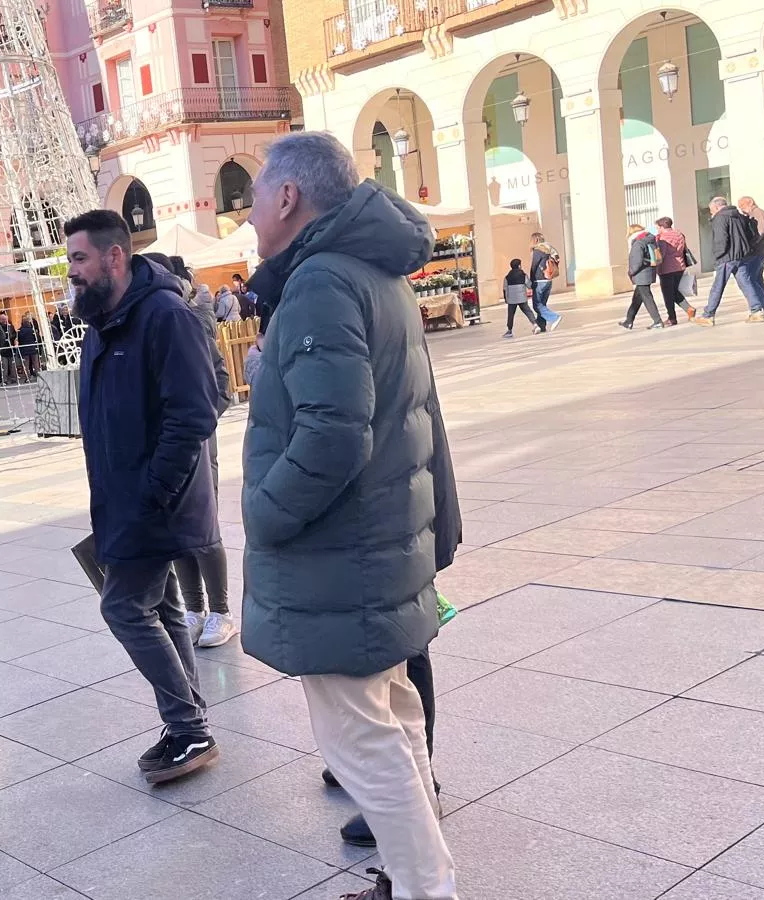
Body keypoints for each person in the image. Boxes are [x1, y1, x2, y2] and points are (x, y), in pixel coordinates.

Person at [241, 132, 456, 900]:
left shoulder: (321, 281)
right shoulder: (370, 268)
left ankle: (429, 890)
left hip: (342, 557)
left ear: (289, 197)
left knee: (364, 743)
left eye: (256, 195)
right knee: (394, 718)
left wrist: (263, 515)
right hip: (375, 547)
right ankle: (408, 880)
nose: (251, 211)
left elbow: (333, 435)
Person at [65, 209, 223, 784]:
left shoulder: (164, 317)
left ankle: (189, 728)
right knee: (161, 606)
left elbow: (194, 413)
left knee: (123, 606)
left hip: (156, 502)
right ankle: (189, 723)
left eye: (80, 258)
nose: (72, 272)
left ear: (115, 257)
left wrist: (153, 491)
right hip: (124, 500)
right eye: (70, 260)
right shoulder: (106, 322)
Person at [144, 252, 235, 649]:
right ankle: (194, 608)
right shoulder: (146, 320)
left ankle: (221, 611)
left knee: (203, 529)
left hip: (195, 443)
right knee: (176, 531)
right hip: (161, 443)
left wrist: (196, 421)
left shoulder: (186, 318)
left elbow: (220, 384)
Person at [699, 197, 764, 326]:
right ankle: (757, 311)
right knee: (746, 283)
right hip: (741, 256)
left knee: (717, 286)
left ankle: (708, 315)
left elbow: (721, 239)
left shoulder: (720, 218)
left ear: (717, 207)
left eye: (711, 209)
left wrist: (718, 255)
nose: (711, 212)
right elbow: (750, 234)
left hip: (726, 258)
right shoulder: (739, 216)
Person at [620, 224, 665, 331]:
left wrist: (631, 272)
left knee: (647, 298)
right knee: (637, 298)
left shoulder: (638, 243)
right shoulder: (649, 239)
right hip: (648, 272)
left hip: (641, 274)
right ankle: (628, 321)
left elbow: (637, 261)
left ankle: (657, 321)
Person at [737, 196, 764, 317]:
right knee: (758, 279)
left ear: (751, 203)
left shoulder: (757, 213)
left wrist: (752, 243)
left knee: (751, 279)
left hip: (758, 252)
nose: (742, 209)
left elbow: (761, 230)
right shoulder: (754, 213)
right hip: (760, 251)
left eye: (743, 206)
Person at [653, 216, 696, 324]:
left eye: (658, 227)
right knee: (674, 291)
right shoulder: (679, 234)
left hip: (667, 268)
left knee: (668, 294)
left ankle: (672, 318)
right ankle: (689, 309)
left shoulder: (662, 238)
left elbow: (661, 254)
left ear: (662, 226)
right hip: (680, 266)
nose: (657, 229)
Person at [500, 258, 543, 339]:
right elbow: (529, 285)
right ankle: (535, 325)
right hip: (522, 298)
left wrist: (506, 299)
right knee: (528, 311)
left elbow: (505, 288)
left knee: (510, 315)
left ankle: (509, 331)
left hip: (511, 300)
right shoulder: (523, 275)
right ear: (519, 266)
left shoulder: (507, 277)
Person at [528, 232, 563, 331]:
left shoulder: (538, 251)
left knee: (537, 305)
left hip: (539, 280)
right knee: (542, 304)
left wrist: (531, 280)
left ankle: (554, 318)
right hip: (548, 280)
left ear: (535, 240)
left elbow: (534, 266)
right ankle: (541, 326)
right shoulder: (549, 250)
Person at [17, 313, 41, 380]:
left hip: (24, 349)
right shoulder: (32, 330)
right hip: (33, 348)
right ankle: (39, 376)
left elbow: (19, 340)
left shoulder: (20, 331)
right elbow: (36, 338)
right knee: (36, 363)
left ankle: (27, 377)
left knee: (26, 364)